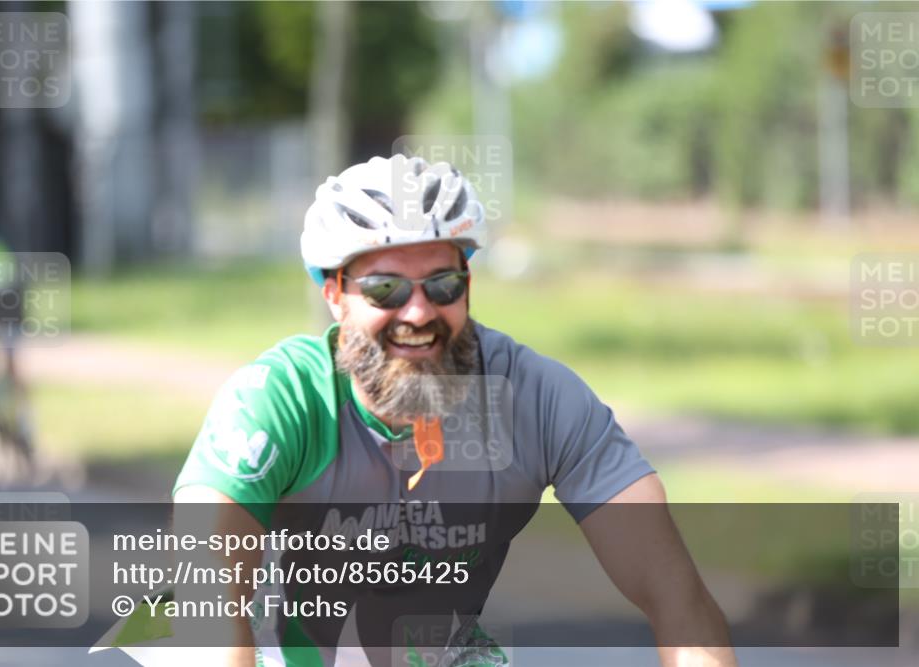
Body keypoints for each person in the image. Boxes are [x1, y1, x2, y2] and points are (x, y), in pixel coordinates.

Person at [173, 154, 738, 667]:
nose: (418, 312)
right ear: (334, 294)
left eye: (443, 283)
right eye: (385, 288)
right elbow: (206, 609)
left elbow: (676, 598)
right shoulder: (277, 400)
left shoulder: (536, 399)